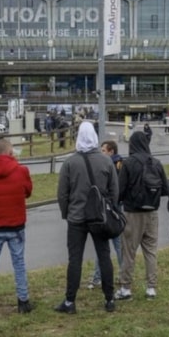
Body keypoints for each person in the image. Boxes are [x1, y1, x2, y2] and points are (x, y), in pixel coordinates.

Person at [56, 122, 119, 313]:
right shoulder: (106, 161)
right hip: (99, 216)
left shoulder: (70, 163)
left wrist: (66, 212)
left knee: (75, 259)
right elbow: (114, 190)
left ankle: (70, 301)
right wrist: (110, 209)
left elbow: (62, 193)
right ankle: (109, 298)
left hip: (77, 217)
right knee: (104, 255)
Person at [0, 139, 34, 315]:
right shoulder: (21, 170)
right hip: (16, 224)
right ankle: (23, 301)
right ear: (11, 153)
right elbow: (28, 192)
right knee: (19, 263)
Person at [114, 131, 169, 301]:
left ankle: (126, 287)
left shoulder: (128, 163)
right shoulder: (156, 163)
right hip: (152, 212)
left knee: (128, 251)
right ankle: (151, 288)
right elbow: (166, 189)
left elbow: (120, 190)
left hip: (132, 213)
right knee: (151, 251)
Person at [86, 140, 124, 290]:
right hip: (104, 208)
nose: (101, 153)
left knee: (117, 244)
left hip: (112, 210)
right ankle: (97, 275)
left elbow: (115, 188)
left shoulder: (117, 165)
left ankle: (123, 274)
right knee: (102, 245)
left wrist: (113, 207)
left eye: (103, 150)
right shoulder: (106, 165)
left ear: (111, 152)